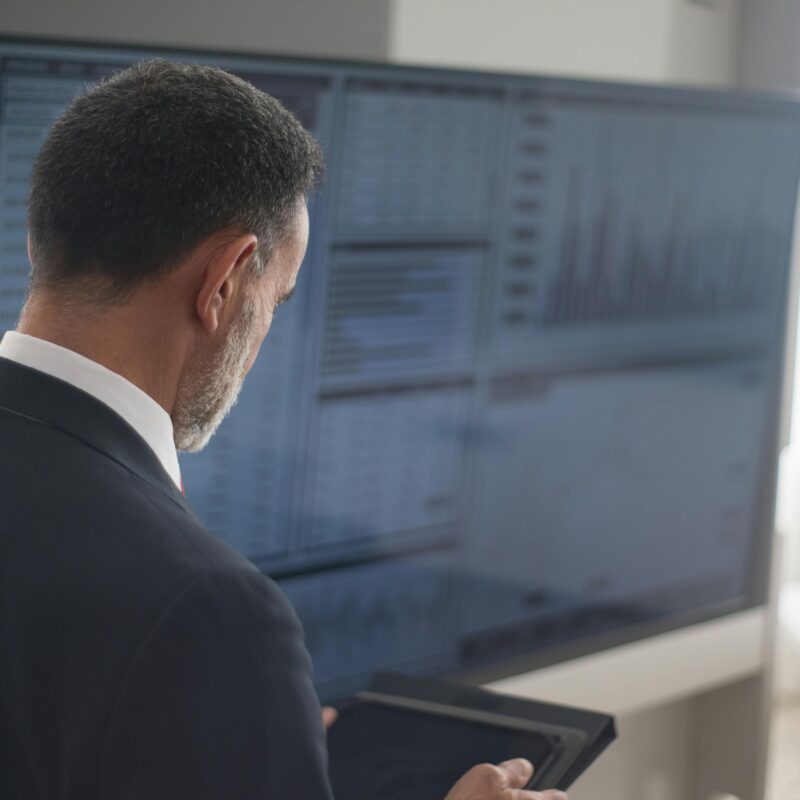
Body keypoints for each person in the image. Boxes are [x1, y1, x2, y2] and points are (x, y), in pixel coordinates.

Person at [0, 60, 567, 800]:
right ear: (225, 281)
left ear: (43, 245)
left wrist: (251, 740)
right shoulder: (211, 616)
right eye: (280, 297)